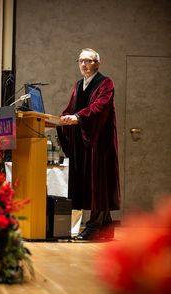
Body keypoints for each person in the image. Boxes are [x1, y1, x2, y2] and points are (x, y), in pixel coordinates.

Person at [57, 48, 120, 241]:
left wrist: (77, 117)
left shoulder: (105, 83)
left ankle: (94, 226)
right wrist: (59, 120)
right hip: (83, 142)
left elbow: (98, 107)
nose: (84, 64)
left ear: (97, 64)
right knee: (90, 183)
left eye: (89, 61)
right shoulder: (78, 85)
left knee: (98, 184)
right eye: (81, 61)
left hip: (100, 142)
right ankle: (106, 228)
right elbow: (71, 108)